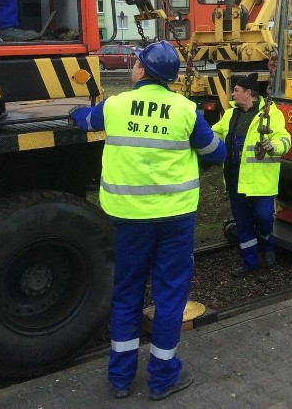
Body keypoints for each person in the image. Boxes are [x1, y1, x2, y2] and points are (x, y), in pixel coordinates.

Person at [69, 41, 226, 400]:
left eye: (136, 63)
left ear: (142, 71)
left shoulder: (116, 104)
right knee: (170, 297)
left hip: (129, 220)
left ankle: (121, 378)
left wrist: (75, 113)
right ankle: (163, 377)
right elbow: (215, 153)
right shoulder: (185, 109)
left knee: (126, 294)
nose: (133, 67)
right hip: (175, 220)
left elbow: (86, 120)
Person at [212, 72, 291, 277]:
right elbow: (215, 133)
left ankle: (266, 244)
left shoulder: (271, 114)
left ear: (249, 93)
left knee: (264, 217)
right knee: (243, 221)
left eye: (236, 91)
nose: (232, 95)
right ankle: (250, 262)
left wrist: (273, 146)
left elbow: (285, 139)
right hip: (234, 178)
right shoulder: (230, 115)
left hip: (260, 180)